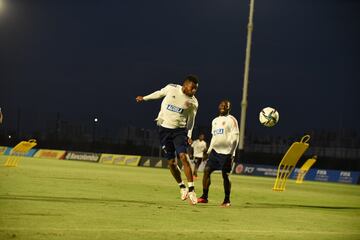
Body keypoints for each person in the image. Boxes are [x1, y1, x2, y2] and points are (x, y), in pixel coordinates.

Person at [136, 75, 199, 205]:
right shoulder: (171, 88)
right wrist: (145, 98)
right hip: (164, 130)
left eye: (196, 90)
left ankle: (192, 189)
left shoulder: (193, 102)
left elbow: (192, 120)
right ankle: (182, 187)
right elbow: (159, 93)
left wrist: (189, 135)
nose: (194, 92)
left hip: (179, 131)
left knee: (183, 156)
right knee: (171, 163)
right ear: (185, 85)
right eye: (192, 88)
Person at [197, 100, 239, 207]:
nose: (223, 106)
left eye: (226, 105)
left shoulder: (232, 120)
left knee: (225, 175)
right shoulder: (214, 121)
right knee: (206, 171)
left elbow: (235, 138)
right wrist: (209, 150)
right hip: (215, 152)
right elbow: (214, 137)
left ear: (229, 108)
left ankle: (227, 200)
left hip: (226, 154)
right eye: (221, 104)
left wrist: (232, 153)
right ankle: (204, 197)